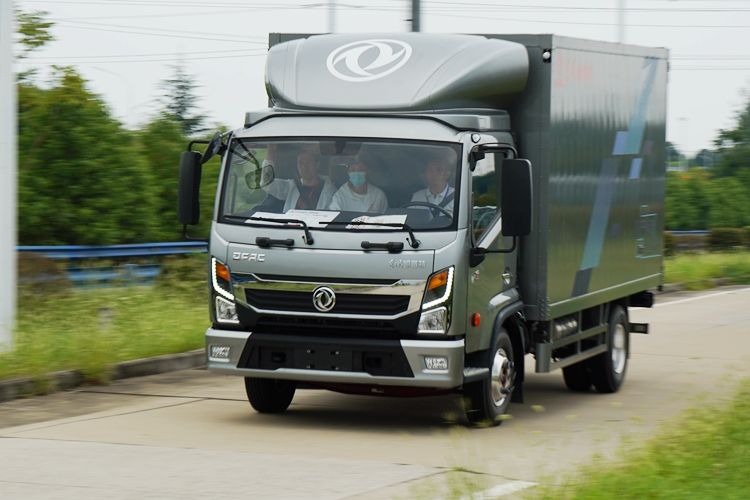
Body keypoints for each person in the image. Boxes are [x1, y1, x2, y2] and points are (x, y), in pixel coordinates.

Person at [262, 144, 336, 212]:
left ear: (317, 164)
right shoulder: (292, 187)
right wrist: (270, 154)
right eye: (300, 162)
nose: (304, 167)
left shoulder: (329, 191)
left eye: (308, 162)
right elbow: (267, 184)